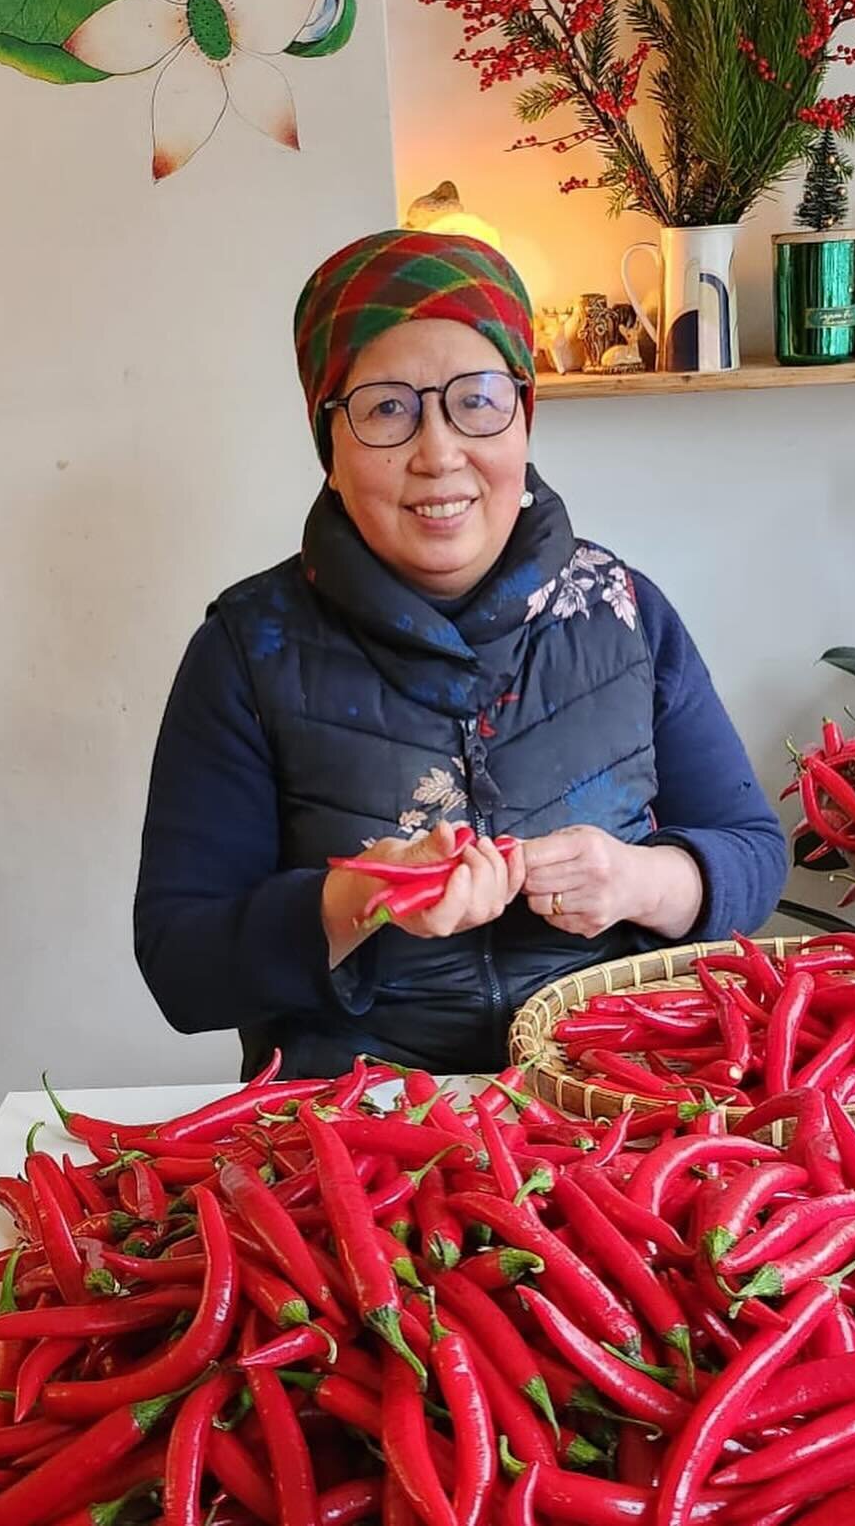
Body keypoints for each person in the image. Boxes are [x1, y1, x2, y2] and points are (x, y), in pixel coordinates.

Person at [134, 230, 787, 1077]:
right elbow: (181, 966)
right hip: (361, 1139)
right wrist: (359, 899)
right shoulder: (248, 649)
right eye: (386, 408)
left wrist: (640, 882)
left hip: (615, 1102)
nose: (438, 453)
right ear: (329, 446)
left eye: (476, 400)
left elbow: (753, 850)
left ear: (525, 417)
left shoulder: (622, 612)